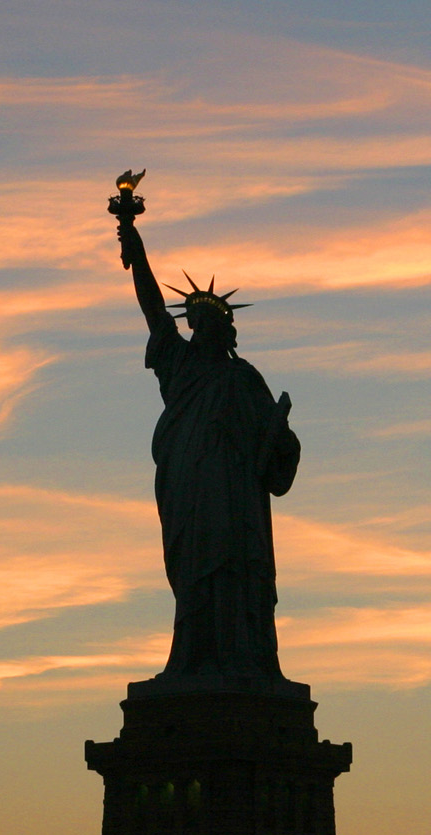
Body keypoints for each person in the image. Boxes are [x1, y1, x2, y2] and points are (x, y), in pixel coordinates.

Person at [115, 194, 299, 683]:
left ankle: (246, 661)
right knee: (196, 573)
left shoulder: (245, 380)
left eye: (219, 323)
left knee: (238, 572)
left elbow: (276, 449)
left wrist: (280, 438)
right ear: (193, 327)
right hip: (191, 489)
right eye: (201, 323)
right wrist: (136, 247)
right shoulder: (181, 365)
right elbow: (153, 309)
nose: (210, 330)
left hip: (237, 497)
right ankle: (192, 661)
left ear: (228, 331)